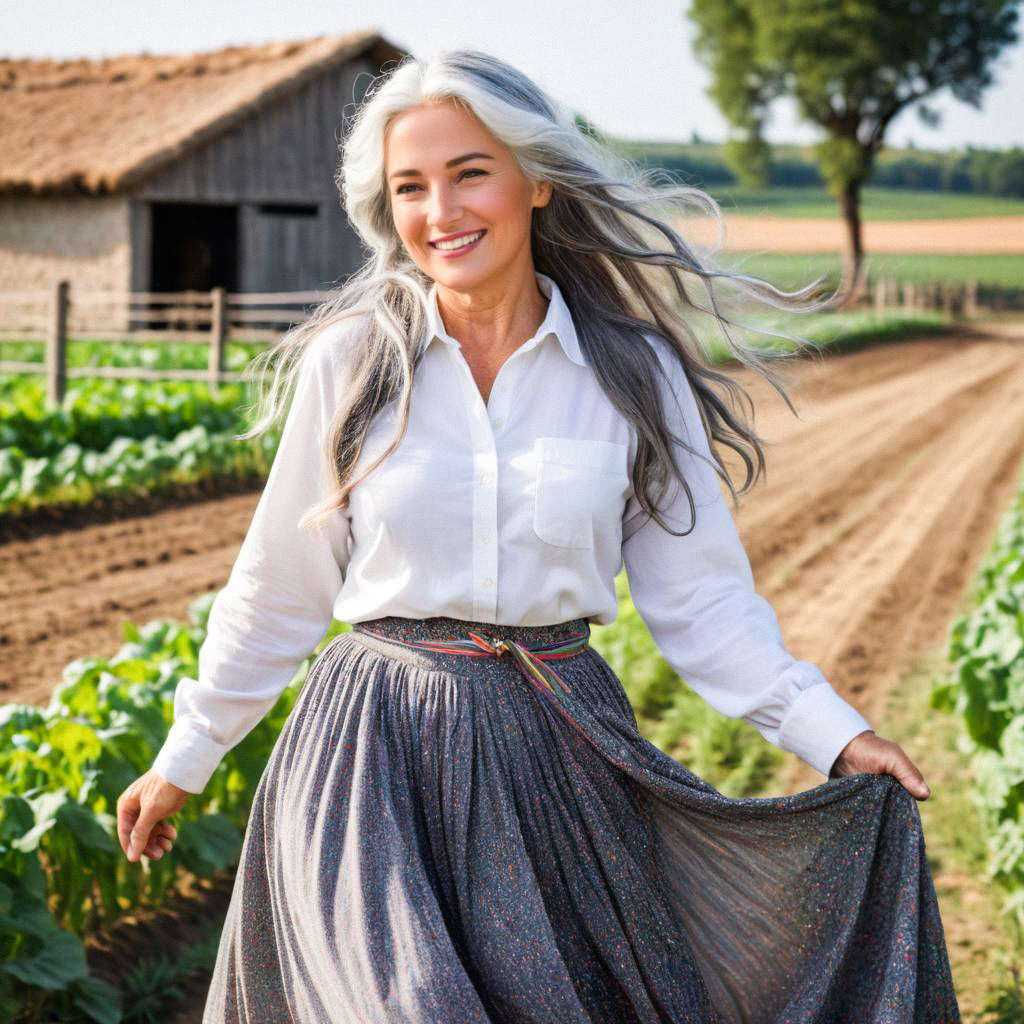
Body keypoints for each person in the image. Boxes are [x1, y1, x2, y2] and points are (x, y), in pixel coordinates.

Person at [116, 48, 960, 1023]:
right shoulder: (352, 365)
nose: (441, 211)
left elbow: (704, 605)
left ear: (537, 177)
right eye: (410, 187)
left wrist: (833, 733)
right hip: (369, 754)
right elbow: (278, 587)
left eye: (470, 171)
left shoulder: (631, 375)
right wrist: (186, 756)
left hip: (553, 752)